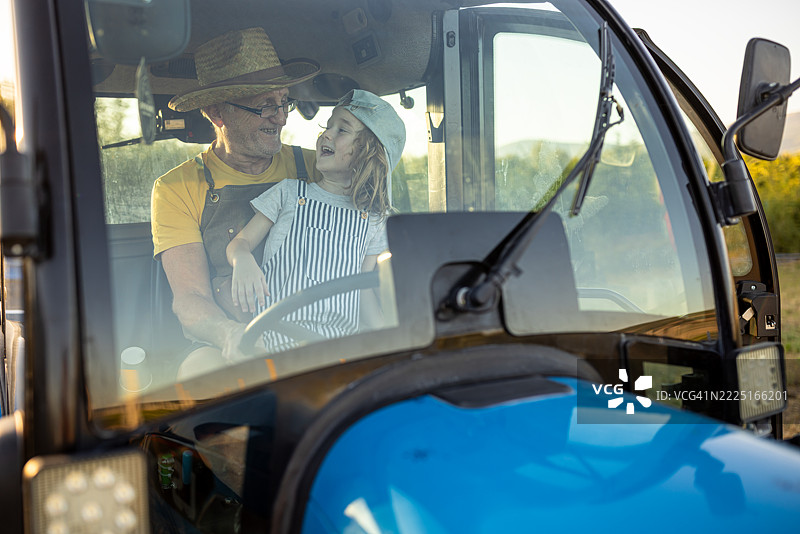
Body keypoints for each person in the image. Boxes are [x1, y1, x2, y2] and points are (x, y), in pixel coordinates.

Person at [150, 27, 321, 373]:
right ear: (217, 114)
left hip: (314, 329)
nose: (281, 116)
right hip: (227, 338)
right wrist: (232, 336)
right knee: (203, 376)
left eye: (284, 101)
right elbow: (191, 298)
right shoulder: (176, 187)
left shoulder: (315, 168)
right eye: (264, 106)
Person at [226, 89, 406, 351]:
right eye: (328, 125)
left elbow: (363, 288)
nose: (326, 134)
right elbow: (239, 243)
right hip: (277, 341)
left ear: (368, 153)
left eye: (342, 130)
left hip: (338, 349)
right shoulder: (288, 193)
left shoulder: (374, 220)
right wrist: (242, 260)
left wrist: (389, 339)